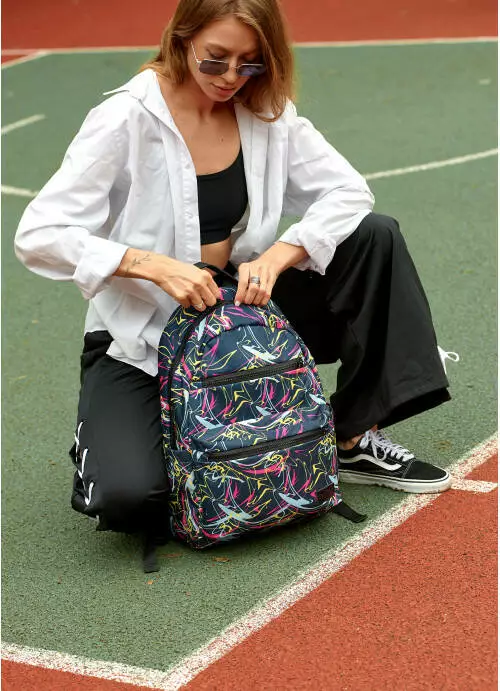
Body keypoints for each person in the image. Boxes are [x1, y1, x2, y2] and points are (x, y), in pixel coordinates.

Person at [14, 0, 453, 543]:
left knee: (373, 236)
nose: (230, 77)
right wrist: (149, 265)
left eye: (250, 63)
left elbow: (348, 191)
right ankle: (134, 435)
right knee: (130, 500)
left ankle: (350, 437)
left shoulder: (266, 112)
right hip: (145, 337)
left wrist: (279, 254)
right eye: (215, 59)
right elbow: (38, 235)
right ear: (182, 39)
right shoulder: (125, 118)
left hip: (245, 317)